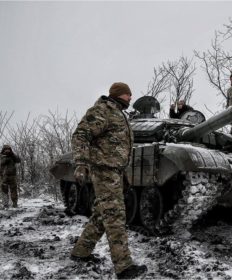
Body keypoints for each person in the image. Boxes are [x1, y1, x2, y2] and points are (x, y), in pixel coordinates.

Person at [69, 82, 147, 279]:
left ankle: (81, 252)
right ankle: (124, 267)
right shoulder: (102, 110)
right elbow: (81, 135)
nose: (131, 98)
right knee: (115, 216)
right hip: (104, 170)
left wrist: (124, 175)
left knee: (101, 215)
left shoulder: (119, 113)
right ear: (120, 94)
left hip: (115, 172)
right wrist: (81, 163)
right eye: (128, 95)